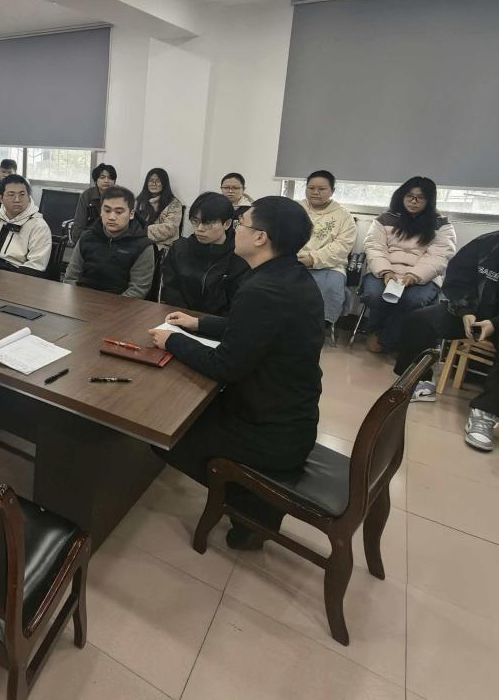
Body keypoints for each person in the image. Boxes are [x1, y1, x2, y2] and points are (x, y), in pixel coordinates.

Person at [147, 197, 324, 549]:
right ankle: (252, 505)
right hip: (292, 416)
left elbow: (224, 366)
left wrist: (172, 341)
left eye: (242, 224)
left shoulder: (262, 290)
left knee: (162, 431)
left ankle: (250, 503)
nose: (236, 230)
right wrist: (199, 323)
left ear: (260, 237)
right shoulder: (289, 276)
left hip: (267, 432)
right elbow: (252, 328)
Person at [393, 192, 499, 454]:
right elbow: (457, 279)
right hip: (470, 315)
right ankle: (419, 381)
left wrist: (497, 323)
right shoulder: (487, 244)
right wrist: (465, 310)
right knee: (419, 320)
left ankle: (486, 413)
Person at [360, 177, 456, 353]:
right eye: (409, 196)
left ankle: (388, 340)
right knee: (374, 295)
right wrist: (385, 272)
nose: (413, 201)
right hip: (384, 271)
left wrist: (414, 276)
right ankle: (374, 331)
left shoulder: (442, 225)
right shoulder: (384, 219)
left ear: (429, 200)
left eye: (420, 197)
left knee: (413, 300)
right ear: (401, 196)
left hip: (422, 277)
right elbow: (374, 247)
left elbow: (439, 256)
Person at [159, 192, 249, 314]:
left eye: (208, 222)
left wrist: (203, 322)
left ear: (226, 224)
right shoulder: (180, 249)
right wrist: (185, 316)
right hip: (180, 316)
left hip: (218, 322)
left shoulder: (240, 256)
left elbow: (236, 301)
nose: (200, 228)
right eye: (195, 221)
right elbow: (170, 288)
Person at [63, 186, 154, 298]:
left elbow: (137, 290)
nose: (111, 217)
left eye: (118, 212)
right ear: (101, 211)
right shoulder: (87, 237)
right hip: (81, 299)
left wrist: (108, 307)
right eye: (107, 211)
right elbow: (71, 277)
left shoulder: (143, 245)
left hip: (120, 304)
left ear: (131, 214)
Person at [297, 170, 358, 331]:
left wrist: (313, 259)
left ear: (332, 191)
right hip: (294, 260)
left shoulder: (344, 216)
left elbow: (342, 246)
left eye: (322, 189)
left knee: (331, 288)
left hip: (330, 265)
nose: (315, 192)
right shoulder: (295, 209)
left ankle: (319, 327)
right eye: (311, 188)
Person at [0, 174, 52, 275]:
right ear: (1, 198)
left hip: (18, 278)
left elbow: (35, 267)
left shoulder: (39, 226)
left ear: (29, 197)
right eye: (11, 195)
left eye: (22, 194)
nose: (17, 199)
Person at [134, 168, 183, 250]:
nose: (154, 184)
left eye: (158, 181)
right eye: (151, 181)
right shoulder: (139, 201)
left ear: (164, 183)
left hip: (161, 245)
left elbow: (170, 229)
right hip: (138, 240)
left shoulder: (174, 204)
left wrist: (143, 231)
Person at [69, 164, 117, 243]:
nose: (106, 180)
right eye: (102, 177)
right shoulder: (87, 196)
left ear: (114, 181)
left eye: (110, 178)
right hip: (90, 238)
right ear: (95, 181)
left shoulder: (120, 197)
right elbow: (79, 225)